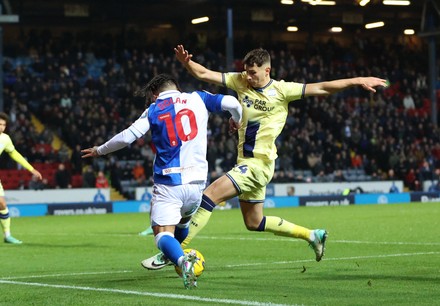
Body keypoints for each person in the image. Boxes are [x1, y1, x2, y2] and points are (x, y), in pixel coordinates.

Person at [143, 45, 388, 269]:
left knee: (208, 196)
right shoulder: (240, 82)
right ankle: (313, 235)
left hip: (258, 165)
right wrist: (187, 63)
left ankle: (173, 252)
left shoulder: (282, 90)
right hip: (246, 164)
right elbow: (205, 74)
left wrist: (357, 80)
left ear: (267, 70)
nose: (247, 77)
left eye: (252, 72)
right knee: (254, 222)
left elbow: (322, 87)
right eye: (246, 72)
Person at [81, 74, 242, 288]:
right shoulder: (198, 98)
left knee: (162, 233)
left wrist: (99, 150)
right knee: (183, 222)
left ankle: (182, 260)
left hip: (169, 183)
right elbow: (232, 102)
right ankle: (172, 253)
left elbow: (127, 137)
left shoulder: (155, 109)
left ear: (155, 94)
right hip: (196, 183)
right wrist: (236, 120)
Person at [0, 112, 43, 244]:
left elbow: (15, 154)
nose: (1, 127)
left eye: (3, 125)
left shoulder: (5, 139)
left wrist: (31, 169)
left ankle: (7, 235)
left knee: (2, 204)